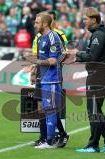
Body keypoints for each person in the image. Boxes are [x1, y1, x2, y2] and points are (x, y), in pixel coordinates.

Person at [66, 7, 105, 153]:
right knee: (96, 110)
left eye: (86, 19)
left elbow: (92, 57)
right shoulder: (99, 34)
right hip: (100, 74)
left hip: (98, 75)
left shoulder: (98, 36)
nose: (84, 21)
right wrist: (77, 56)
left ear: (94, 20)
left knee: (93, 110)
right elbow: (92, 55)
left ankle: (94, 144)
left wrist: (77, 54)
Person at [31, 11, 69, 148]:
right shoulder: (40, 38)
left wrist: (36, 62)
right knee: (46, 109)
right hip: (43, 79)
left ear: (45, 23)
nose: (35, 24)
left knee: (50, 109)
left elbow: (53, 60)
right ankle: (48, 139)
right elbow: (40, 60)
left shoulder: (53, 37)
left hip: (52, 79)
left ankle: (49, 141)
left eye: (37, 22)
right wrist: (34, 70)